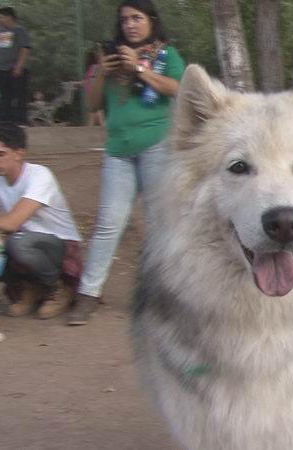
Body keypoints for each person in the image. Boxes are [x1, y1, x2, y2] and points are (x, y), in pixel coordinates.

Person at [66, 0, 185, 326]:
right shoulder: (109, 55)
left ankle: (163, 298)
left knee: (158, 223)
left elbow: (177, 88)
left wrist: (139, 68)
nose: (131, 24)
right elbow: (92, 102)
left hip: (156, 147)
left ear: (151, 21)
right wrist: (103, 73)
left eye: (137, 18)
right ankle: (88, 294)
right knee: (108, 224)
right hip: (118, 151)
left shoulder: (165, 55)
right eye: (125, 19)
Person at [0, 123, 83, 319]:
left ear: (19, 153)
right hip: (23, 242)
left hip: (58, 244)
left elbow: (10, 223)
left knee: (16, 242)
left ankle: (58, 287)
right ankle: (29, 288)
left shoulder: (40, 176)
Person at [0, 7, 30, 126]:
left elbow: (24, 48)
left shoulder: (19, 30)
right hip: (2, 69)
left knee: (20, 96)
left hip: (16, 67)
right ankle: (5, 121)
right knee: (5, 97)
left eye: (1, 17)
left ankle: (21, 120)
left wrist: (19, 65)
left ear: (9, 17)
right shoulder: (0, 32)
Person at [82, 51, 106, 126]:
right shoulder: (96, 67)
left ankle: (90, 127)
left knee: (91, 111)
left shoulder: (94, 67)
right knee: (98, 112)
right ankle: (101, 126)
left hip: (91, 90)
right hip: (92, 89)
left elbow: (90, 80)